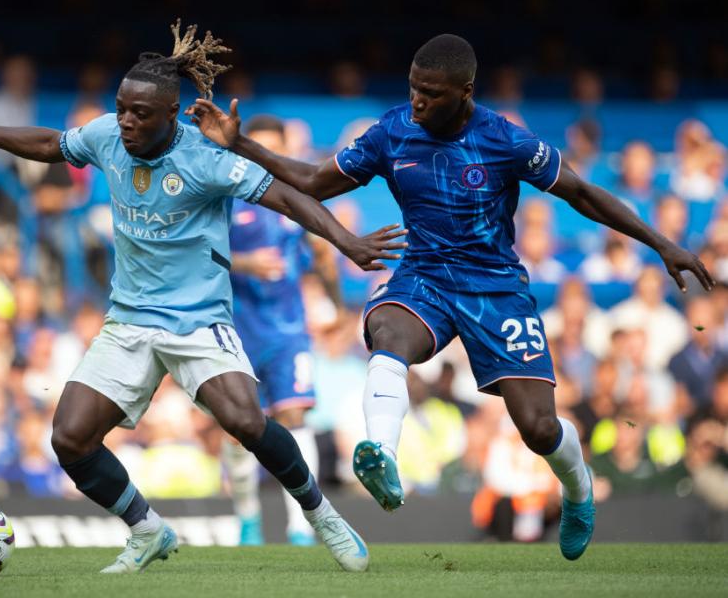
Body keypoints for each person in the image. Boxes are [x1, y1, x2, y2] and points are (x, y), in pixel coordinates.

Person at [187, 33, 714, 561]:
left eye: (432, 94)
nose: (417, 101)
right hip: (425, 276)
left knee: (538, 427)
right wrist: (242, 144)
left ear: (466, 92)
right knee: (387, 334)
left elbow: (580, 192)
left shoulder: (506, 139)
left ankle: (577, 489)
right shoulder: (393, 130)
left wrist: (662, 244)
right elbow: (315, 180)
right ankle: (383, 455)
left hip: (495, 286)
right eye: (414, 88)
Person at [0, 20, 402, 574]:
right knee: (70, 438)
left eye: (140, 113)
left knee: (248, 422)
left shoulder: (205, 158)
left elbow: (289, 200)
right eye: (122, 108)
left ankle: (323, 517)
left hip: (198, 321)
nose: (127, 121)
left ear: (171, 114)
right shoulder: (107, 134)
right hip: (128, 320)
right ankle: (147, 530)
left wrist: (346, 241)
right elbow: (49, 145)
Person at [223, 114, 335, 546]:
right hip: (235, 331)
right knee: (237, 427)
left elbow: (319, 250)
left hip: (288, 329)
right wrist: (246, 263)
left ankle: (300, 525)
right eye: (258, 147)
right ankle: (247, 518)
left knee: (295, 416)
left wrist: (337, 304)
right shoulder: (227, 196)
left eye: (274, 149)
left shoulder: (296, 196)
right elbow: (197, 251)